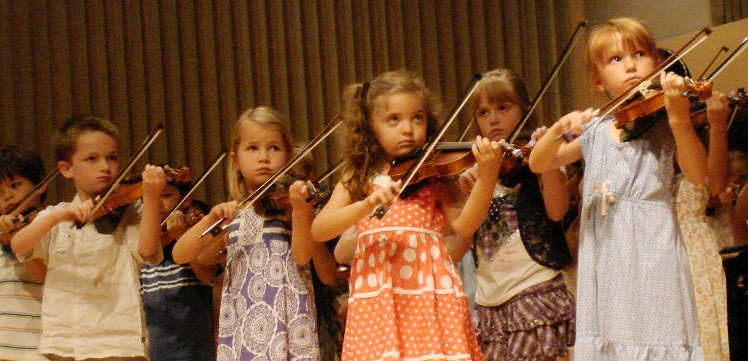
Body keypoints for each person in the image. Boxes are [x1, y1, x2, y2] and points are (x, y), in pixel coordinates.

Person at [529, 18, 704, 359]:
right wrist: (558, 129)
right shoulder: (595, 129)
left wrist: (680, 119)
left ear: (657, 63)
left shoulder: (666, 122)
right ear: (597, 80)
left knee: (659, 330)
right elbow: (540, 162)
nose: (631, 65)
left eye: (640, 53)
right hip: (606, 253)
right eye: (616, 59)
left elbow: (698, 175)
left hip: (654, 251)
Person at [310, 69, 503, 361]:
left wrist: (487, 177)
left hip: (428, 293)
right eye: (393, 119)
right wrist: (366, 205)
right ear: (370, 127)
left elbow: (465, 225)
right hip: (377, 298)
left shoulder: (435, 175)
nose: (408, 129)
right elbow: (320, 229)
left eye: (417, 117)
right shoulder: (359, 177)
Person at [173, 106, 330, 360]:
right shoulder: (234, 214)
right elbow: (181, 254)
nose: (264, 157)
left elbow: (302, 257)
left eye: (274, 148)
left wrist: (301, 211)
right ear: (235, 160)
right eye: (252, 148)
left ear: (288, 158)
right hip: (243, 325)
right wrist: (212, 218)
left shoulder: (292, 207)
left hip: (288, 319)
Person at [11, 114, 166, 360]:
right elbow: (18, 244)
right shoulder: (55, 216)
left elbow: (147, 251)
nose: (105, 167)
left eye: (112, 158)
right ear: (66, 168)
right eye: (92, 159)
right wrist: (57, 217)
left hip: (117, 342)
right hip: (63, 341)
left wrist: (152, 197)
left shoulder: (130, 213)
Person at [456, 68, 575, 361]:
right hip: (490, 299)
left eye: (502, 108)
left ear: (525, 107)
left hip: (536, 287)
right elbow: (463, 233)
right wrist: (472, 188)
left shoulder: (539, 155)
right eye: (483, 112)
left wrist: (545, 158)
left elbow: (557, 210)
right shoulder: (476, 170)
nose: (492, 119)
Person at [675, 91, 732, 361]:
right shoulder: (643, 138)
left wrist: (718, 127)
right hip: (650, 245)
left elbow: (718, 185)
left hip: (696, 253)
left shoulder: (700, 136)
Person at [139, 172, 217, 361]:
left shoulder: (197, 237)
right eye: (151, 198)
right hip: (153, 353)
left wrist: (181, 236)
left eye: (166, 195)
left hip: (196, 352)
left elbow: (209, 276)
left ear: (186, 200)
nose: (158, 204)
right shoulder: (141, 244)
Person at [0, 145, 47, 361]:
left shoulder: (51, 227)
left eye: (14, 185)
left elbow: (46, 277)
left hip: (38, 349)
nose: (7, 196)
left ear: (41, 185)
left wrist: (16, 242)